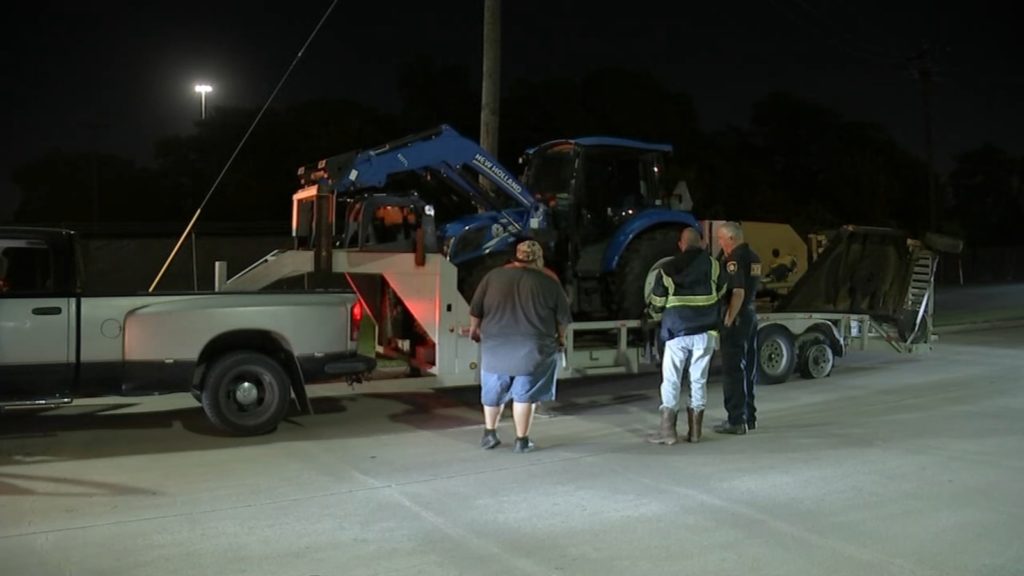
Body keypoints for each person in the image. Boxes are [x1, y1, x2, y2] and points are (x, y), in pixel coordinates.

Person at [469, 240, 572, 453]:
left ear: (515, 256)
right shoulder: (549, 281)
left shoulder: (493, 276)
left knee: (493, 392)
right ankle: (521, 440)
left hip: (495, 347)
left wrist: (474, 330)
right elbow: (563, 319)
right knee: (524, 394)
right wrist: (561, 338)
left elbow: (476, 310)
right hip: (532, 349)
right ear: (538, 258)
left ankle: (490, 434)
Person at [645, 228, 725, 445]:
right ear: (701, 243)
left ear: (681, 244)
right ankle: (695, 433)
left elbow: (658, 302)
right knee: (698, 379)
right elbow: (722, 292)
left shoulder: (668, 268)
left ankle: (668, 433)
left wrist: (653, 313)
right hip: (705, 332)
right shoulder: (714, 266)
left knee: (671, 380)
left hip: (676, 332)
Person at [713, 221, 763, 435]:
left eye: (721, 239)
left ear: (731, 239)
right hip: (751, 315)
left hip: (738, 317)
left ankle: (736, 420)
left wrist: (728, 319)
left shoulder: (734, 259)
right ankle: (749, 416)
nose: (720, 243)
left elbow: (738, 292)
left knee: (733, 371)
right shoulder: (754, 256)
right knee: (748, 369)